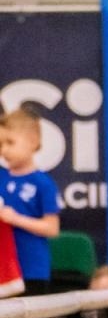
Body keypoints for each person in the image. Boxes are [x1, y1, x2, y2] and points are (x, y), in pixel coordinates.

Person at [0, 106, 62, 295]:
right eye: (1, 144)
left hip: (32, 270)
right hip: (4, 273)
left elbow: (52, 228)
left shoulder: (43, 183)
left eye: (10, 143)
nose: (4, 150)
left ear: (33, 142)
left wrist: (15, 219)